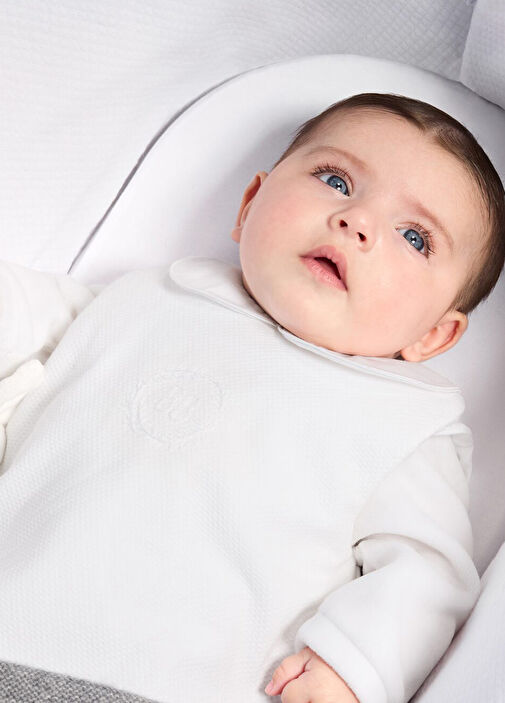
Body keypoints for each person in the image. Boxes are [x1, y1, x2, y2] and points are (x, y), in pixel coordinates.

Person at [0, 93, 503, 703]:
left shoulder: (404, 422)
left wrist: (355, 666)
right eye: (336, 180)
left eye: (415, 237)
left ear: (434, 335)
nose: (357, 222)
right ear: (249, 205)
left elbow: (426, 572)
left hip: (174, 683)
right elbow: (21, 311)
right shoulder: (145, 300)